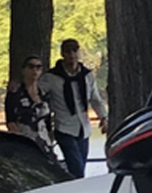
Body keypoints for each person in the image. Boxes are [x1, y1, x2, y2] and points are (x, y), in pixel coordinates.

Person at [40, 39, 105, 177]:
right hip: (64, 128)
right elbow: (36, 93)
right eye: (68, 51)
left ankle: (69, 188)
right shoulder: (51, 77)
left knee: (80, 166)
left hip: (84, 129)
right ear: (62, 53)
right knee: (76, 168)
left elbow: (95, 99)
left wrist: (103, 118)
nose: (71, 54)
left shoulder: (87, 76)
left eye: (74, 50)